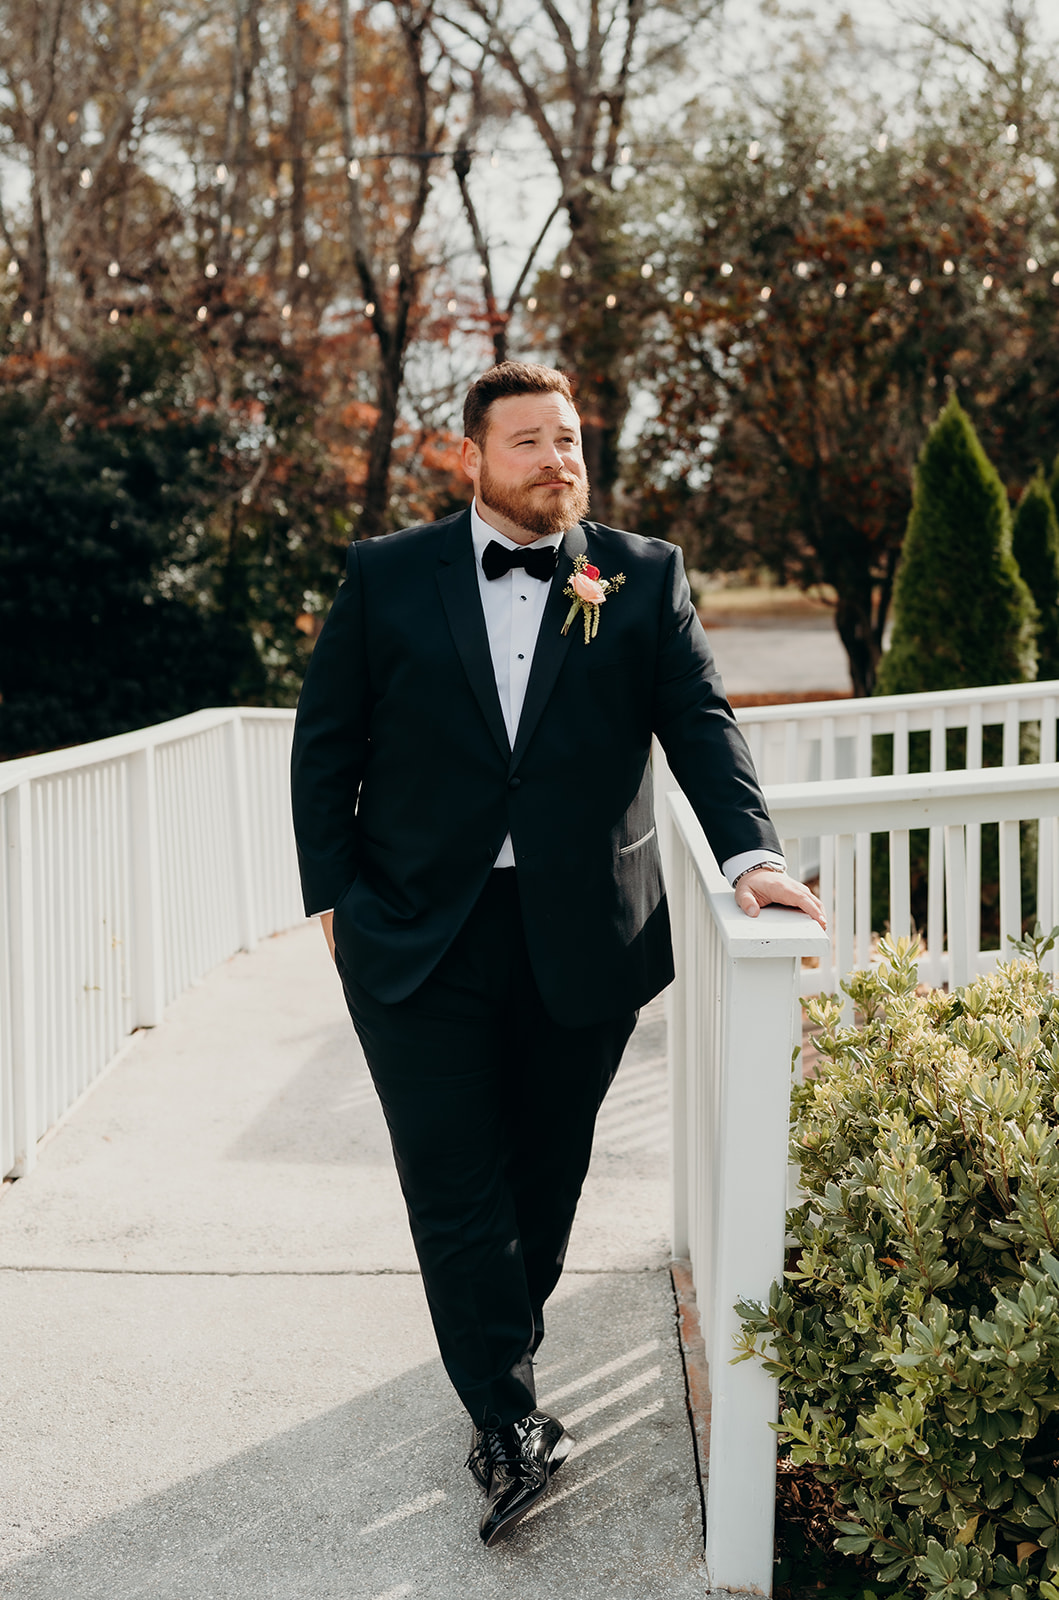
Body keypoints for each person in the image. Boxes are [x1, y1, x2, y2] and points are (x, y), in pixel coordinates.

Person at [290, 361, 825, 1547]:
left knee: (545, 1171)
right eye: (527, 440)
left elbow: (699, 721)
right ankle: (506, 1419)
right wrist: (334, 897)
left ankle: (495, 1352)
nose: (556, 459)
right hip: (416, 931)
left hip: (582, 933)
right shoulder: (388, 576)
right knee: (449, 1178)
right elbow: (326, 739)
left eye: (568, 438)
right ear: (468, 458)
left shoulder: (639, 576)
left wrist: (751, 860)